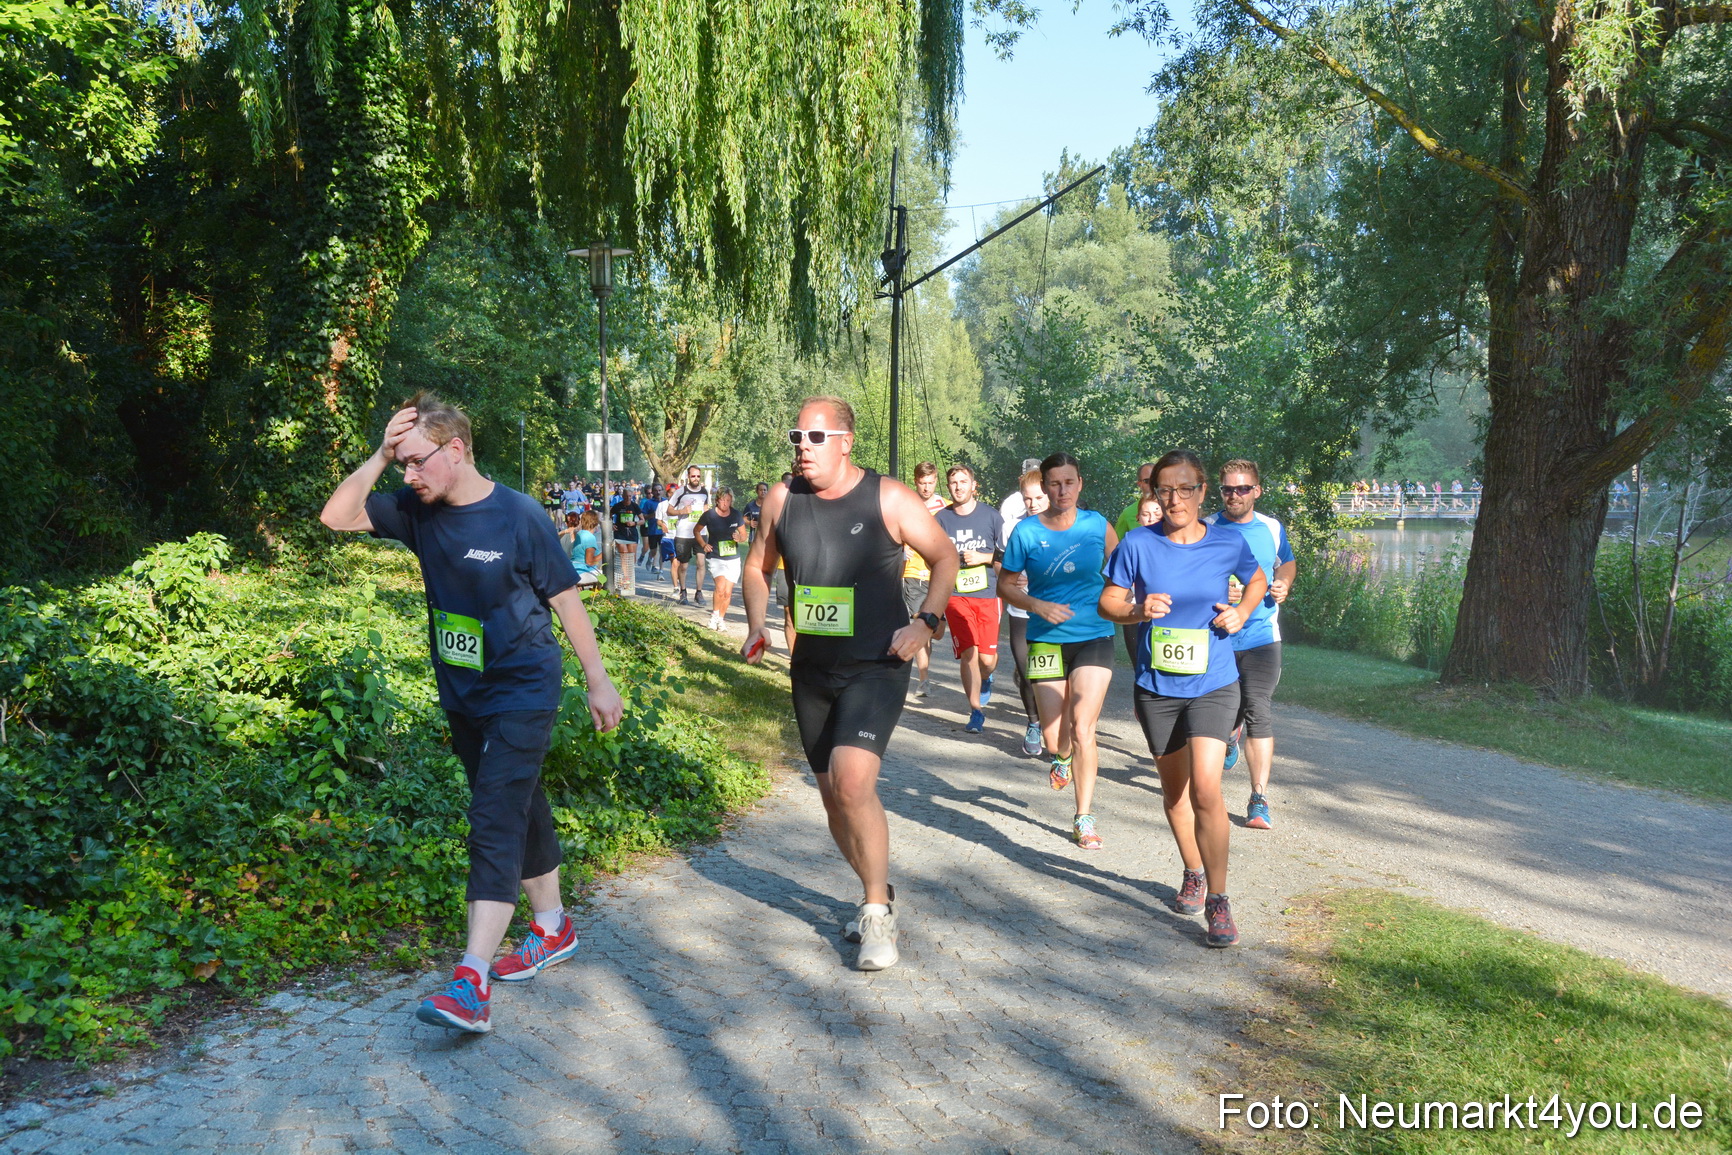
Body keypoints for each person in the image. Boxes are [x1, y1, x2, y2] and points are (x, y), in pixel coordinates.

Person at [318, 392, 623, 1033]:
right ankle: (551, 926)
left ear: (455, 451)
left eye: (417, 462)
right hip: (462, 691)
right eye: (402, 465)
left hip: (524, 687)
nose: (410, 475)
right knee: (517, 799)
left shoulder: (519, 515)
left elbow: (567, 600)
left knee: (491, 815)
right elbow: (335, 516)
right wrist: (380, 452)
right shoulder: (415, 509)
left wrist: (599, 682)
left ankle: (470, 979)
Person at [740, 396, 958, 971]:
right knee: (833, 796)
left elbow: (945, 556)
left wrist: (925, 622)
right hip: (811, 668)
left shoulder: (887, 497)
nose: (802, 448)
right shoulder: (783, 498)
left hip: (878, 662)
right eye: (796, 437)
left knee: (853, 781)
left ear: (845, 441)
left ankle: (877, 910)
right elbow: (757, 565)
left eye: (814, 438)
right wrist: (759, 622)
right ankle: (875, 887)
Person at [1099, 449, 1267, 949]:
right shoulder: (1136, 543)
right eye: (1164, 490)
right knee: (1174, 794)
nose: (1174, 499)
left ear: (1201, 492)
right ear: (1153, 493)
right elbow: (1108, 601)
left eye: (1185, 489)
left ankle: (1218, 900)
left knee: (1206, 790)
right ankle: (1192, 869)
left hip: (1214, 681)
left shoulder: (1227, 541)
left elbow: (1257, 578)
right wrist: (1137, 609)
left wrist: (1242, 612)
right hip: (1157, 687)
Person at [1001, 454, 1118, 849]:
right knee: (1055, 739)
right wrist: (1035, 605)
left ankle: (1084, 816)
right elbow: (1005, 584)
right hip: (1046, 638)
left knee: (1084, 727)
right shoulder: (1027, 532)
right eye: (1054, 484)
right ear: (1044, 486)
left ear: (1080, 484)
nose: (1062, 490)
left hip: (1094, 635)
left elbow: (1127, 571)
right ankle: (1061, 757)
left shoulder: (1098, 525)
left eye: (1069, 482)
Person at [1204, 460, 1297, 831]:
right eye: (1228, 489)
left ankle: (1258, 799)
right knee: (1222, 712)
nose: (1234, 495)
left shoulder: (1271, 528)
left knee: (1259, 708)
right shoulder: (1207, 528)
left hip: (1261, 636)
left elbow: (1286, 563)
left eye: (1243, 488)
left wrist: (1283, 584)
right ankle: (1228, 736)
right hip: (1219, 637)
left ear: (1257, 491)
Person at [935, 464, 1005, 734]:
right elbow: (933, 558)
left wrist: (985, 557)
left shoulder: (991, 517)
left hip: (988, 594)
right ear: (949, 487)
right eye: (953, 482)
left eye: (964, 482)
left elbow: (1008, 555)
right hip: (955, 595)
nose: (958, 487)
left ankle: (986, 678)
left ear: (974, 486)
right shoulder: (941, 519)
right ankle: (975, 710)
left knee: (986, 660)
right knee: (969, 653)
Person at [999, 469, 1049, 755]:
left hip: (1052, 611)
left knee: (1050, 675)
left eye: (1038, 497)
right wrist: (1010, 577)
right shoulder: (1012, 528)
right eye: (1028, 499)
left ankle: (1055, 725)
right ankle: (1033, 723)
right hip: (1020, 610)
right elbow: (997, 564)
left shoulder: (1063, 526)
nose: (1033, 504)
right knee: (1026, 671)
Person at [902, 462, 949, 697]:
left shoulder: (946, 507)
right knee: (921, 624)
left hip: (939, 576)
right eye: (923, 483)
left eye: (931, 483)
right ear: (915, 481)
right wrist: (901, 549)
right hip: (913, 575)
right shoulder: (907, 505)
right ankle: (924, 679)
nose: (927, 488)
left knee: (937, 631)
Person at [697, 486, 748, 629]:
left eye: (728, 500)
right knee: (720, 588)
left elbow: (744, 535)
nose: (725, 503)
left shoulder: (736, 515)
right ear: (717, 500)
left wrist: (739, 537)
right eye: (722, 500)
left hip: (733, 558)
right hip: (715, 556)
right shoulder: (709, 515)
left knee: (728, 591)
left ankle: (721, 619)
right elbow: (696, 530)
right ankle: (714, 617)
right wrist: (703, 544)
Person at [669, 466, 710, 605]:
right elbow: (669, 510)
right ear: (688, 476)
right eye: (693, 476)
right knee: (684, 565)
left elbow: (706, 508)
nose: (696, 479)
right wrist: (682, 511)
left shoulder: (704, 492)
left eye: (698, 476)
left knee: (701, 562)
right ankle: (683, 591)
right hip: (684, 534)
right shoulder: (681, 492)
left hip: (700, 533)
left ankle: (699, 593)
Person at [1113, 462, 1157, 540]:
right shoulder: (1127, 514)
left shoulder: (1172, 508)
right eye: (1147, 481)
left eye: (1156, 479)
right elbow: (1115, 546)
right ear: (1139, 484)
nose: (1153, 484)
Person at [562, 510, 603, 588]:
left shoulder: (580, 533)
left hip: (574, 570)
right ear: (596, 523)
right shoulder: (590, 537)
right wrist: (605, 553)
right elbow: (589, 562)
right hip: (582, 572)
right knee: (606, 575)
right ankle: (600, 598)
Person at [611, 484, 642, 575]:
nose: (628, 498)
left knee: (631, 557)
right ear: (623, 496)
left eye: (629, 496)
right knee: (623, 554)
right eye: (626, 496)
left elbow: (642, 520)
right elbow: (608, 517)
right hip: (620, 533)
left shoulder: (635, 506)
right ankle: (626, 577)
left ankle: (630, 575)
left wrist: (634, 523)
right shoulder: (617, 506)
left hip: (632, 533)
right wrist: (612, 525)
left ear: (632, 496)